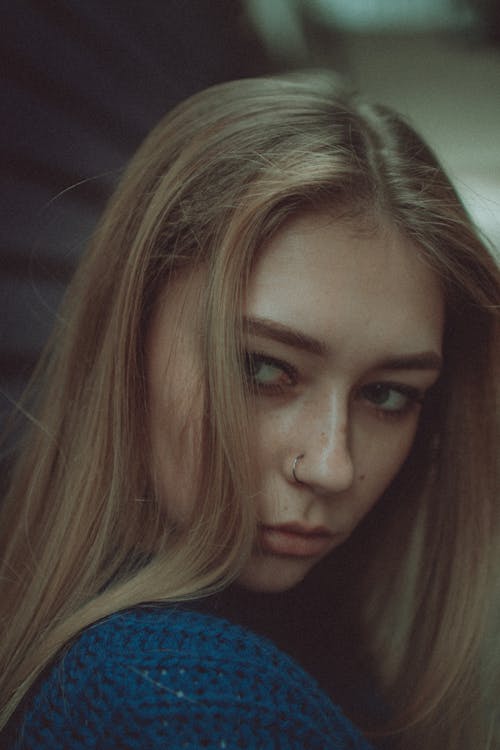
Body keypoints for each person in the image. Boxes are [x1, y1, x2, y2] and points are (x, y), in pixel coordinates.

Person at [0, 71, 498, 749]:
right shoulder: (184, 704)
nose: (331, 465)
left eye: (388, 394)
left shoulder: (312, 637)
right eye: (262, 367)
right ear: (131, 337)